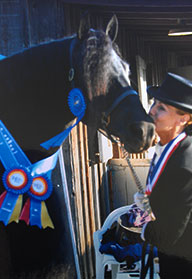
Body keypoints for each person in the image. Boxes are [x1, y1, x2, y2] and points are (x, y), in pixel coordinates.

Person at [134, 72, 192, 279]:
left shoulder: (184, 164)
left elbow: (168, 234)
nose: (151, 111)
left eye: (161, 108)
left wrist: (142, 226)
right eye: (154, 104)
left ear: (183, 118)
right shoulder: (167, 149)